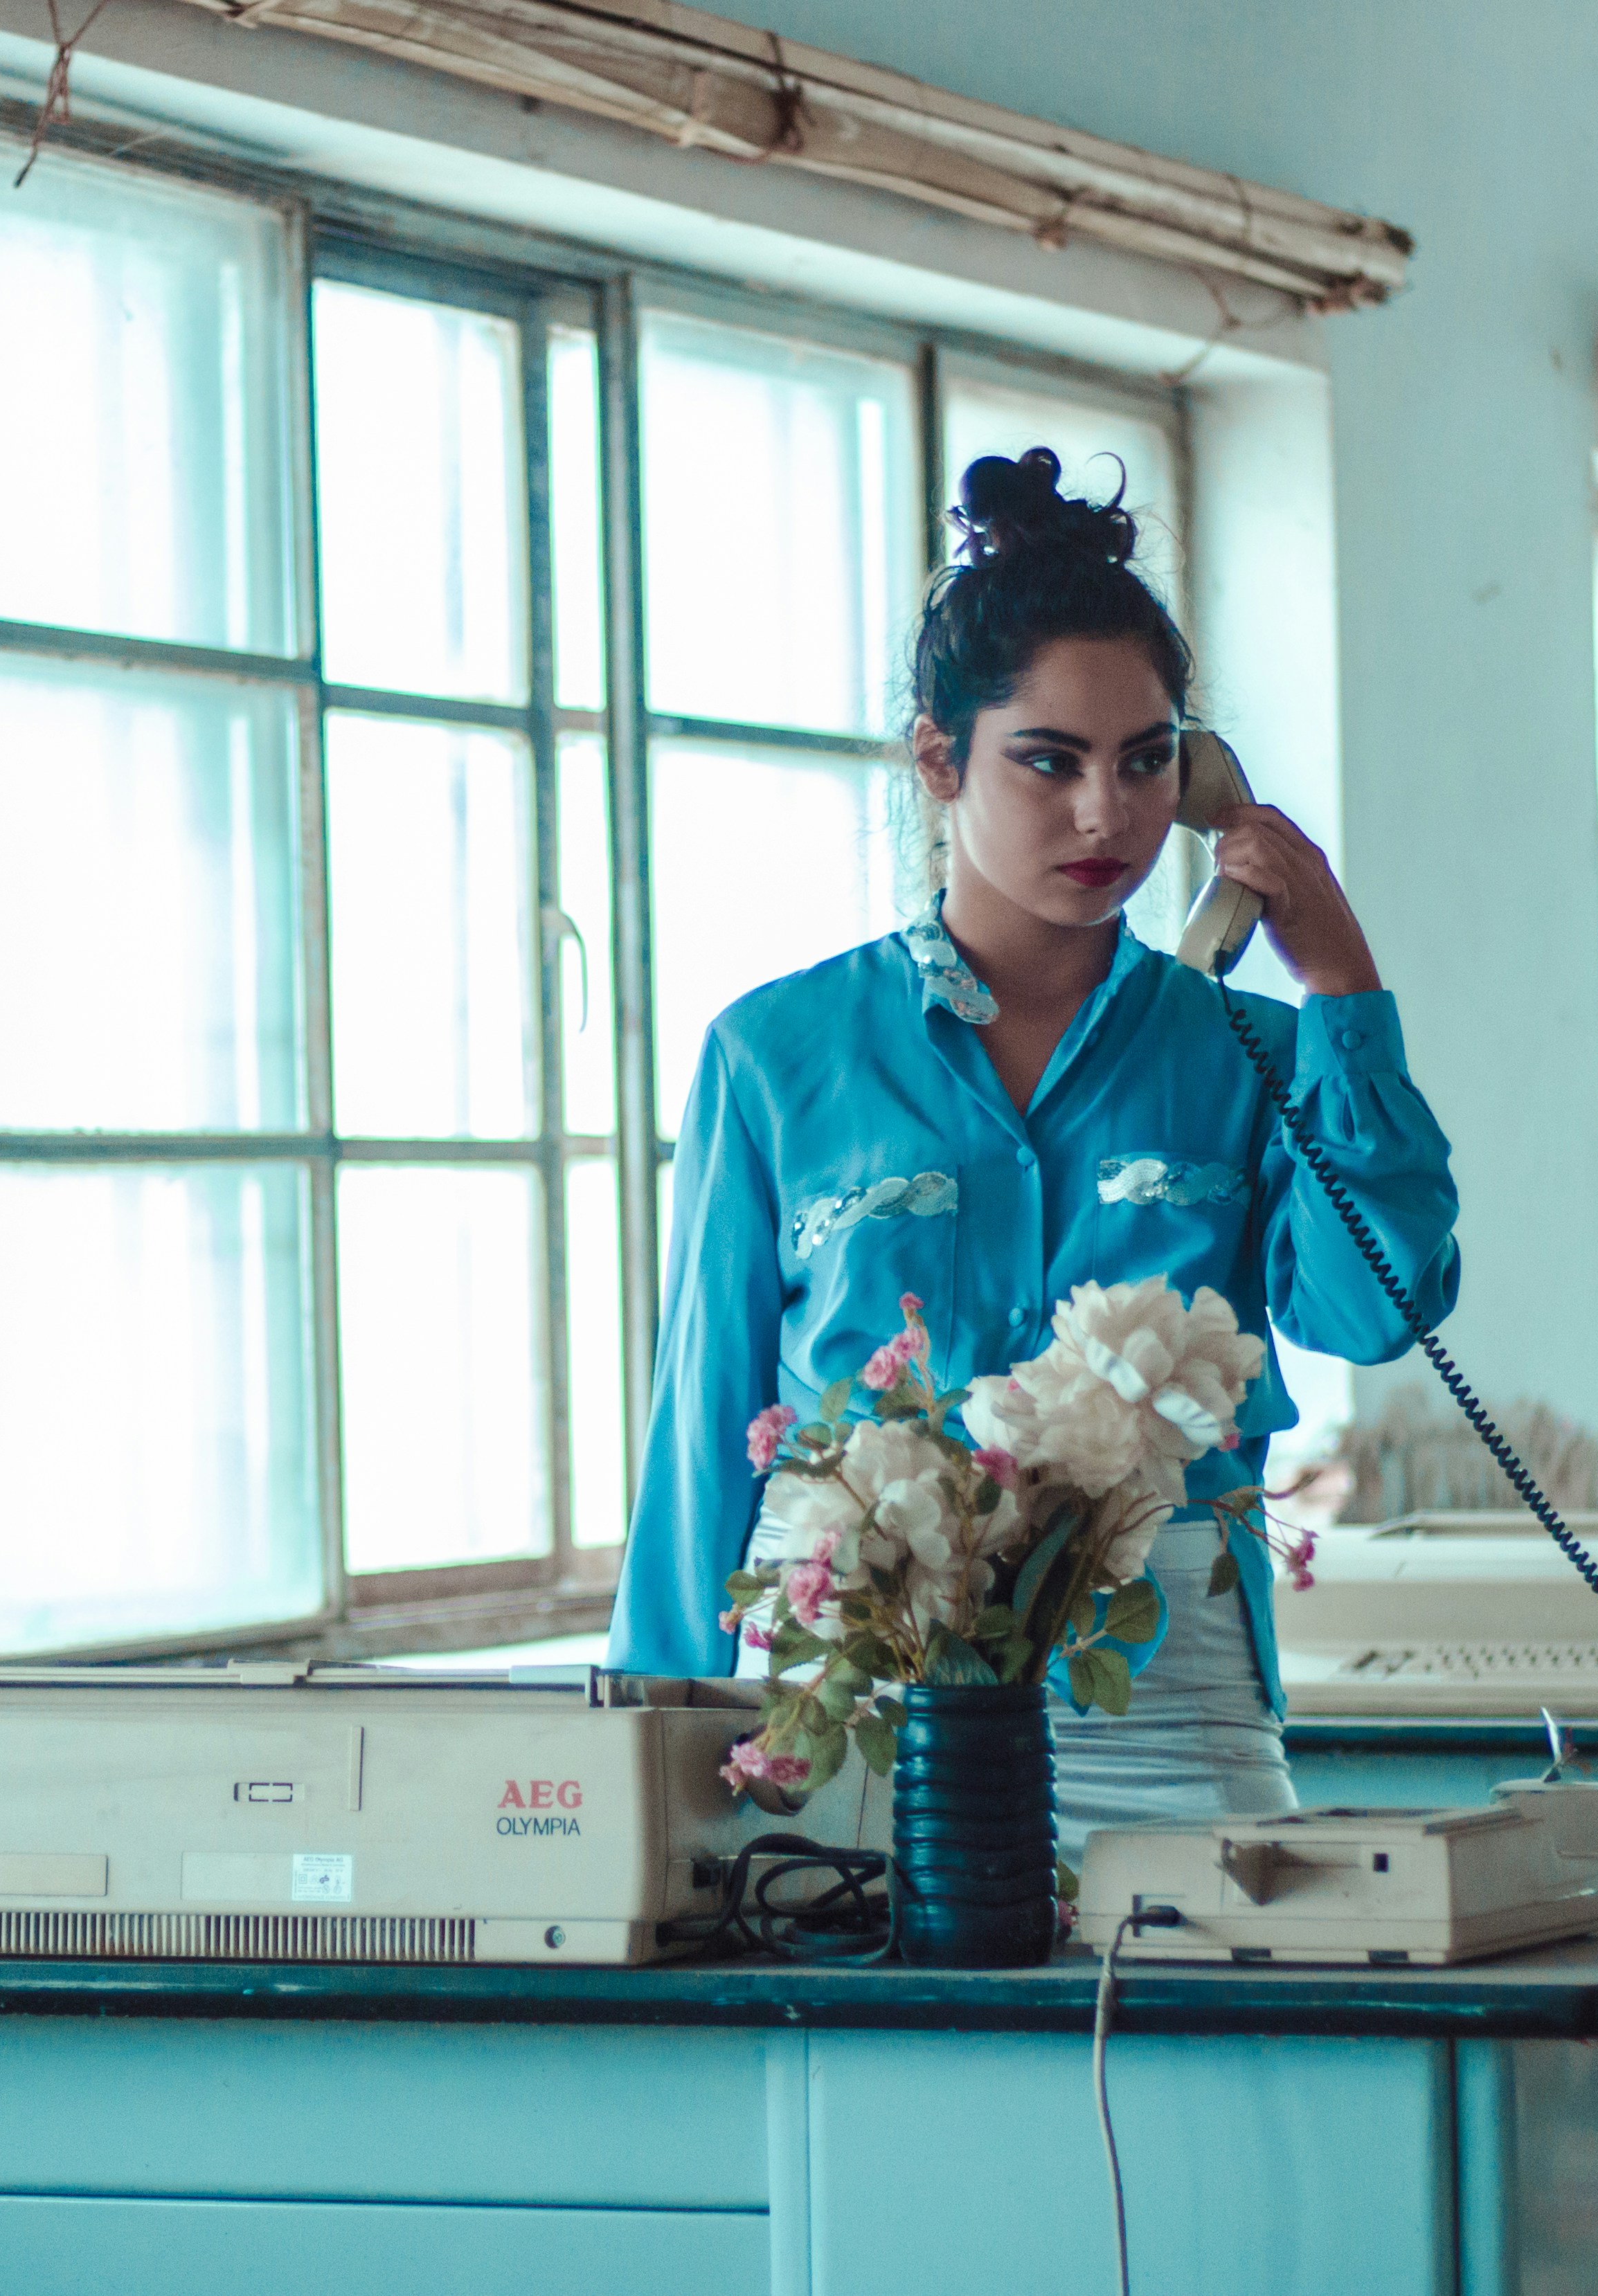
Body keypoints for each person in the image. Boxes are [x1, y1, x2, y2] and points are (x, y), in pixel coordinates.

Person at [604, 446, 1463, 1854]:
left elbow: (1372, 1312)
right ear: (940, 759)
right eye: (1047, 762)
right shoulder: (775, 1055)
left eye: (1144, 765)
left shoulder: (1238, 1050)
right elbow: (700, 1433)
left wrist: (1343, 996)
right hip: (859, 1695)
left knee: (1218, 2064)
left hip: (1166, 1692)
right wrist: (645, 1755)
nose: (1104, 817)